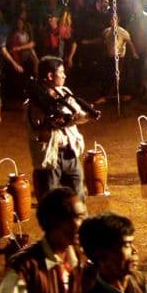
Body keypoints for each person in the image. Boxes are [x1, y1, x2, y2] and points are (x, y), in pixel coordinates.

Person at [0, 187, 90, 293]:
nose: (82, 224)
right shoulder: (24, 270)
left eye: (83, 216)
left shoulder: (82, 260)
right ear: (53, 222)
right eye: (78, 217)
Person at [26, 56, 99, 201]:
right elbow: (39, 129)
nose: (65, 75)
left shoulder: (64, 92)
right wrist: (57, 120)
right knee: (51, 202)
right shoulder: (35, 102)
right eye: (62, 72)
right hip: (50, 157)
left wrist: (88, 115)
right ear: (50, 76)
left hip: (69, 152)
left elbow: (77, 115)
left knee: (77, 196)